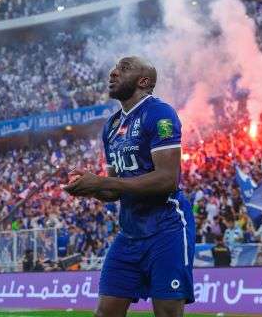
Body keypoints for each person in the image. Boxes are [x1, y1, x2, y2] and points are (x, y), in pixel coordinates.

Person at [64, 56, 195, 317]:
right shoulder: (111, 126)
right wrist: (88, 187)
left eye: (123, 69)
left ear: (143, 81)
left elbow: (168, 179)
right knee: (104, 313)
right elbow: (113, 191)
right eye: (113, 68)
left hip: (166, 228)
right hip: (130, 232)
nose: (113, 73)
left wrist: (100, 181)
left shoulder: (159, 113)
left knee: (168, 313)